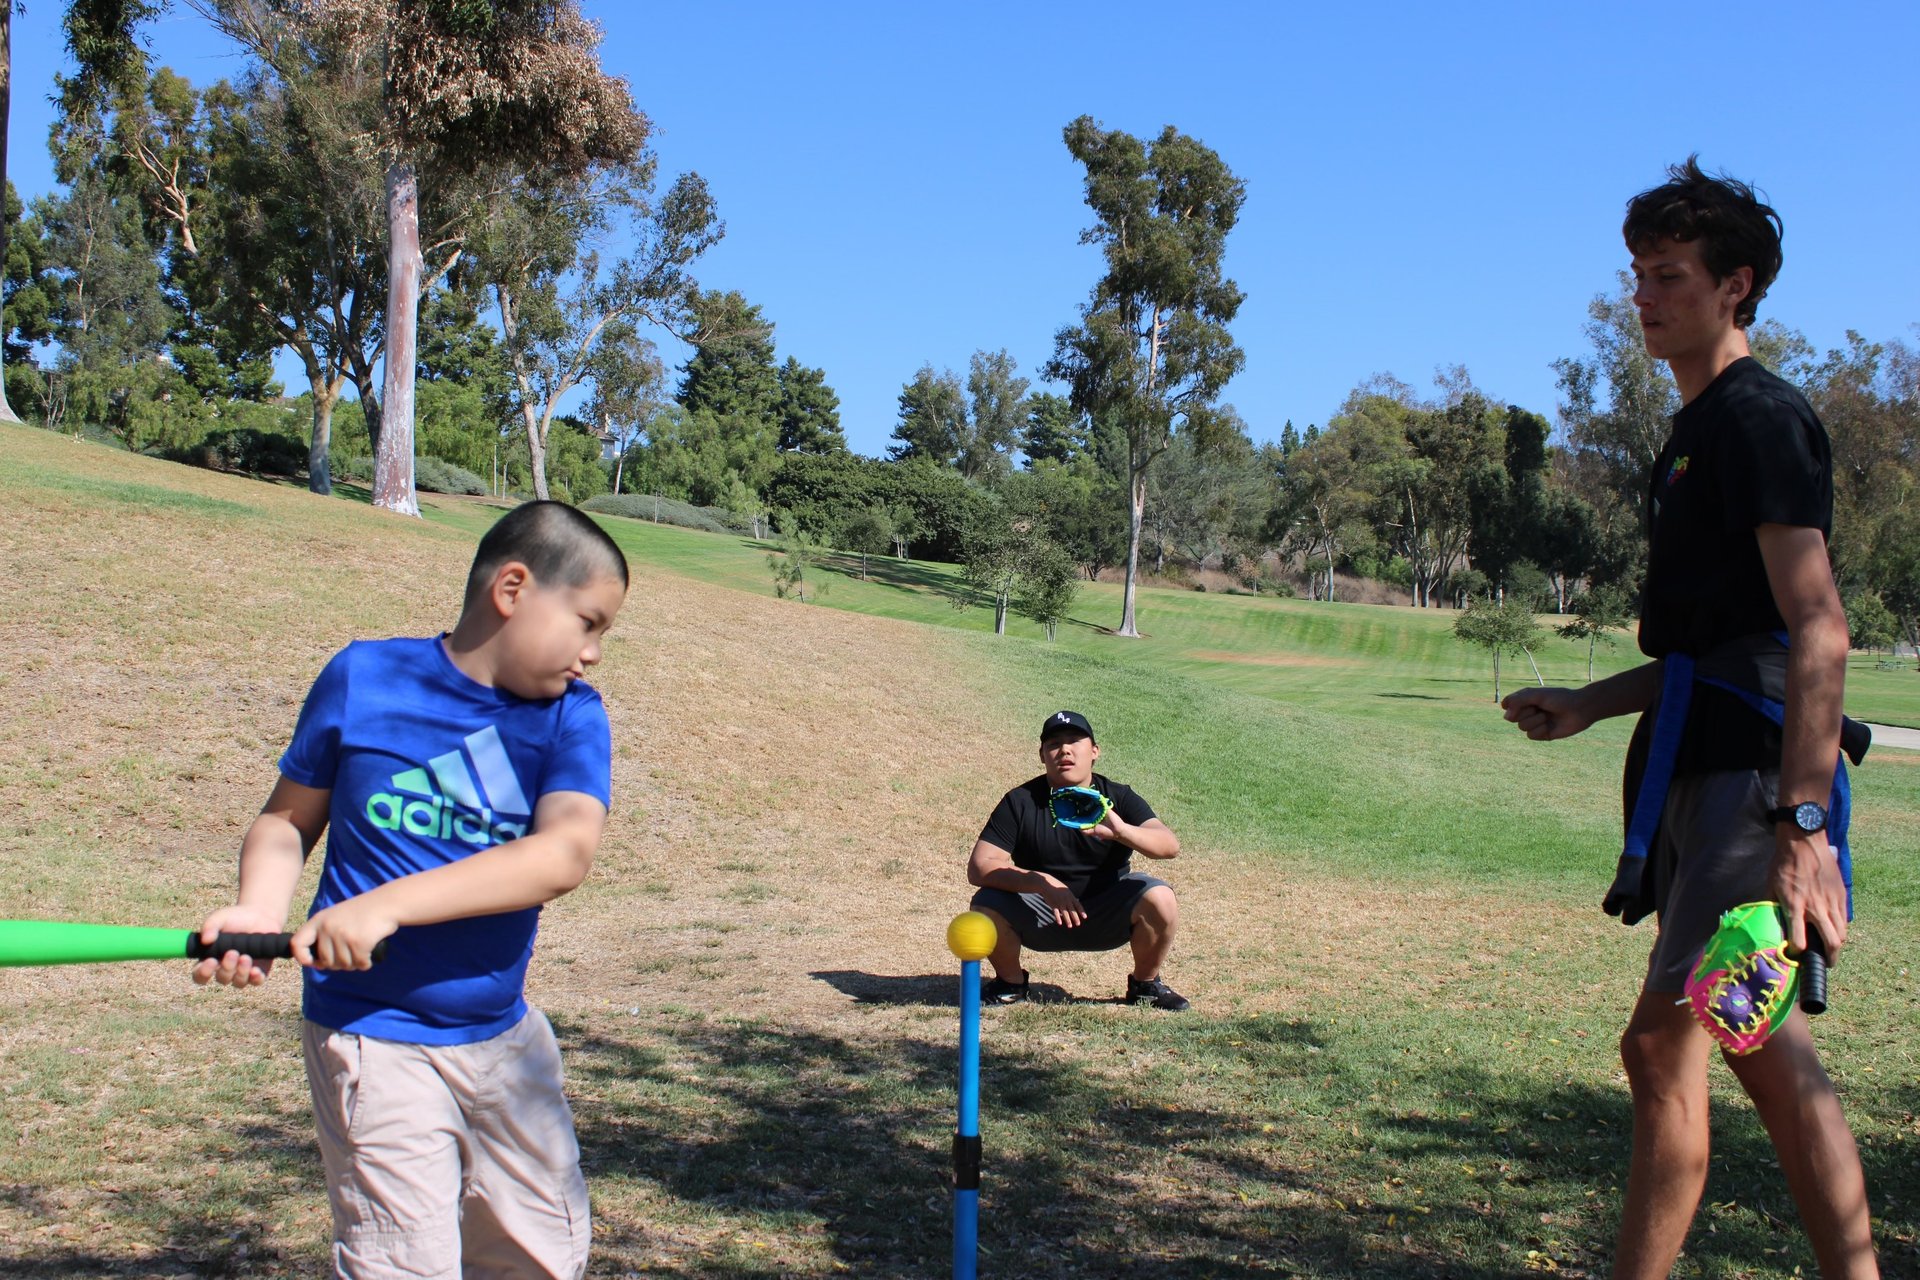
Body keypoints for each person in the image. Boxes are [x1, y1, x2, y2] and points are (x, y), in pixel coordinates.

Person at [1501, 158, 1878, 1278]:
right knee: (1731, 1044)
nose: (1644, 297)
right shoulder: (1694, 430)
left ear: (1737, 286)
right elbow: (1711, 650)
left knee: (1694, 1042)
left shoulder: (1760, 418)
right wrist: (1588, 704)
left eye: (1669, 275)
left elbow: (1818, 630)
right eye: (1638, 275)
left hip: (1751, 794)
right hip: (1707, 776)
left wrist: (1802, 832)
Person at [193, 500, 629, 1280]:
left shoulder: (571, 718)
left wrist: (385, 905)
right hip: (371, 1039)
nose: (594, 654)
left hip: (501, 1039)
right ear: (513, 588)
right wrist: (260, 909)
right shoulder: (365, 676)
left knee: (543, 1257)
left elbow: (561, 854)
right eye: (588, 622)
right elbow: (287, 822)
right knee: (405, 1265)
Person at [966, 709, 1188, 1010]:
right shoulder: (1020, 801)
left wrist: (1121, 831)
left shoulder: (1118, 797)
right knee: (985, 904)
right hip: (1041, 913)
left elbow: (1168, 845)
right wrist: (1040, 883)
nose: (1065, 750)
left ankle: (1145, 986)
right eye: (1054, 744)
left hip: (1105, 910)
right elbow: (980, 866)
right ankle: (1010, 982)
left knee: (1160, 896)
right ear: (1042, 754)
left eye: (1074, 741)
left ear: (1094, 751)